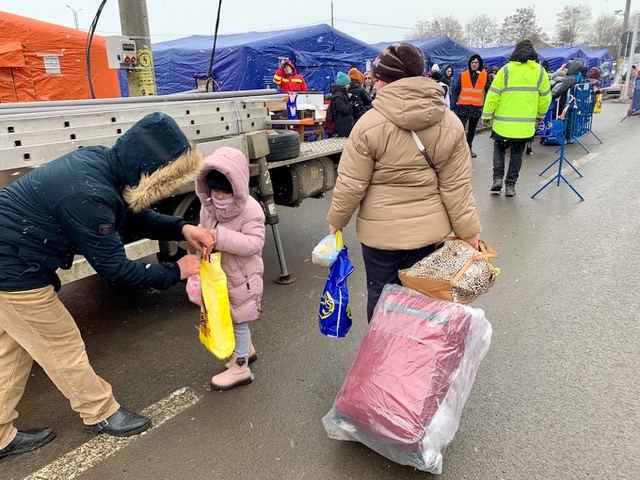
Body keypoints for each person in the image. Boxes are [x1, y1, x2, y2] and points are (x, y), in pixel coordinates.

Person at [0, 112, 214, 459]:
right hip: (13, 271)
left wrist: (182, 229)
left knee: (13, 350)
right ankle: (100, 413)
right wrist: (176, 271)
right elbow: (117, 272)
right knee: (62, 345)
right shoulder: (89, 195)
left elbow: (131, 214)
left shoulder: (100, 163)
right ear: (149, 171)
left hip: (11, 261)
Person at [326, 43, 482, 322]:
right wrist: (469, 232)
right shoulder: (450, 122)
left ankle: (381, 354)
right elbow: (457, 187)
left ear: (384, 79)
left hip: (380, 236)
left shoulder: (368, 124)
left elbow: (352, 184)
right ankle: (416, 355)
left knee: (381, 296)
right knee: (423, 298)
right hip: (429, 235)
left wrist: (336, 222)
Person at [192, 147, 266, 391]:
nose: (219, 197)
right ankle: (247, 350)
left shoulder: (252, 210)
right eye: (214, 190)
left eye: (225, 191)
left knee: (238, 321)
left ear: (238, 187)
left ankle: (241, 367)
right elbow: (203, 232)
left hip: (242, 278)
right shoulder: (208, 207)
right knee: (227, 316)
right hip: (218, 277)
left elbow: (255, 243)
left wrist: (219, 237)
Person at [481, 40, 551, 197]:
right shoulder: (539, 72)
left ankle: (497, 178)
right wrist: (540, 115)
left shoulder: (506, 70)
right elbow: (545, 98)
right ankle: (510, 185)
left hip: (502, 125)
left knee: (499, 149)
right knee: (517, 154)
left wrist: (486, 116)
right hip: (524, 126)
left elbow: (493, 95)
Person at [452, 54, 489, 158]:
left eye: (476, 62)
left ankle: (468, 148)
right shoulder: (463, 75)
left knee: (472, 131)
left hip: (476, 107)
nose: (474, 64)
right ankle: (458, 149)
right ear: (469, 64)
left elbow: (489, 91)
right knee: (460, 129)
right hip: (463, 107)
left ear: (479, 64)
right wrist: (452, 106)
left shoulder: (485, 75)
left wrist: (487, 109)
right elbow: (456, 91)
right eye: (472, 62)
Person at [329, 72, 355, 137]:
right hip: (343, 126)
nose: (349, 85)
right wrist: (351, 103)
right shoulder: (338, 96)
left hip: (345, 124)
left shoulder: (341, 94)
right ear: (344, 84)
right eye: (348, 84)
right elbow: (344, 110)